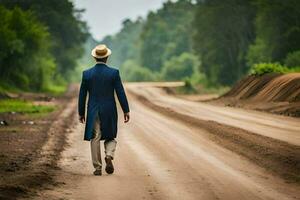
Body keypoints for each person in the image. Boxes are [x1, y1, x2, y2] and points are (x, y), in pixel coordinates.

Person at [78, 44, 130, 176]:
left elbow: (82, 95)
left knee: (95, 137)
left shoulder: (87, 74)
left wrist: (81, 113)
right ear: (107, 57)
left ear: (95, 58)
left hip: (93, 110)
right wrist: (126, 110)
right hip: (109, 110)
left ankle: (97, 168)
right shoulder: (114, 73)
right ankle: (109, 155)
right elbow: (120, 92)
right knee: (110, 136)